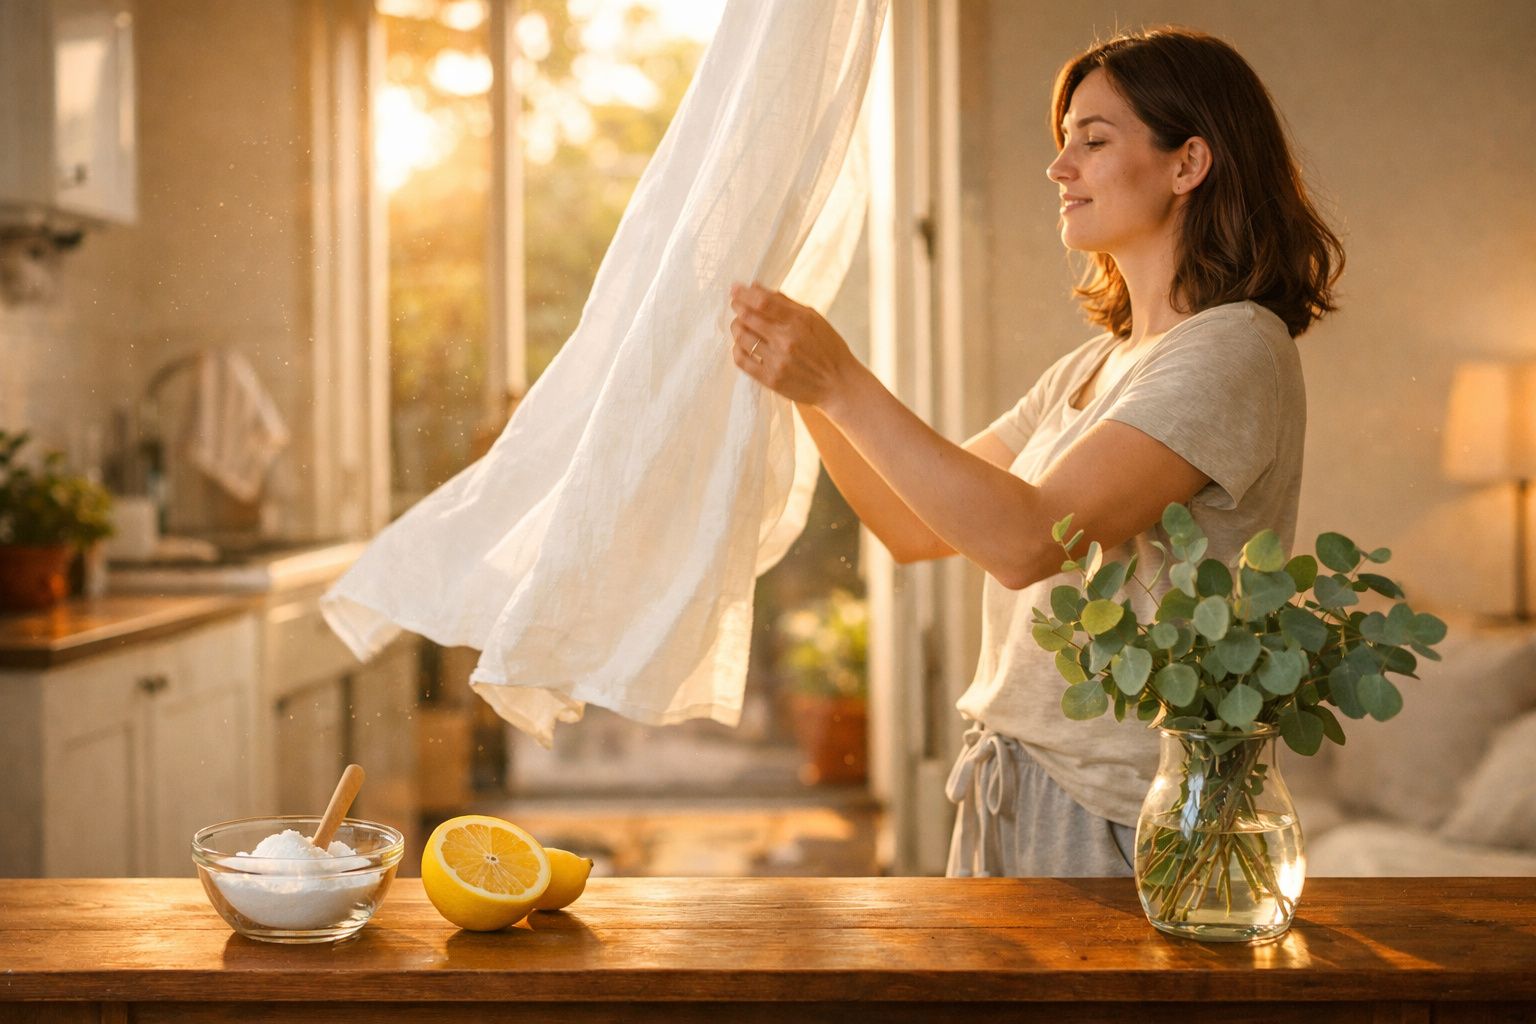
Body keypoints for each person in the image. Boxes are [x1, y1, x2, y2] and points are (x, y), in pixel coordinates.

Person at [726, 26, 1344, 877]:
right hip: (1016, 782)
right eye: (1064, 144)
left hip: (1127, 813)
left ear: (1188, 162)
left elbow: (1029, 541)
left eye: (1093, 141)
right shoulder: (1093, 365)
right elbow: (914, 530)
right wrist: (807, 390)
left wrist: (840, 382)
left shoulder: (1236, 347)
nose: (1060, 168)